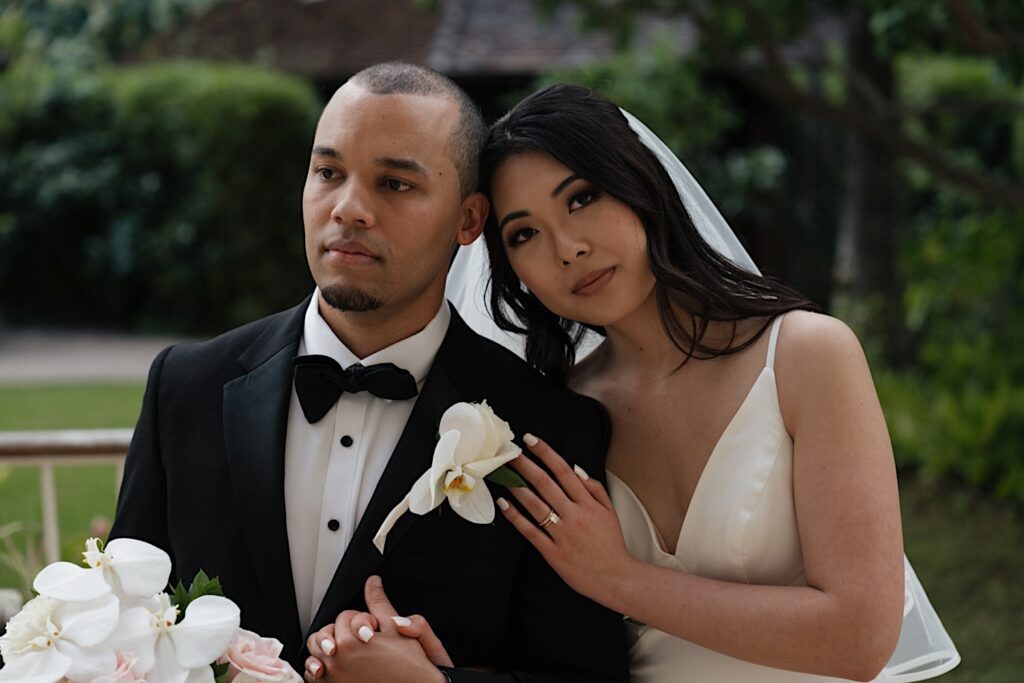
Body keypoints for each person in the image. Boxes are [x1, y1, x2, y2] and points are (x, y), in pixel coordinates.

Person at [330, 84, 960, 682]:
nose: (568, 248)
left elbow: (861, 636)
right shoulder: (553, 415)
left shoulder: (805, 357)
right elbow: (549, 647)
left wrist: (621, 580)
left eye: (581, 198)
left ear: (641, 187)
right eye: (524, 234)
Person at [109, 65, 628, 681]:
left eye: (395, 184)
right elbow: (121, 625)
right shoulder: (184, 388)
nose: (349, 209)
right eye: (328, 173)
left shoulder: (548, 427)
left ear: (468, 221)